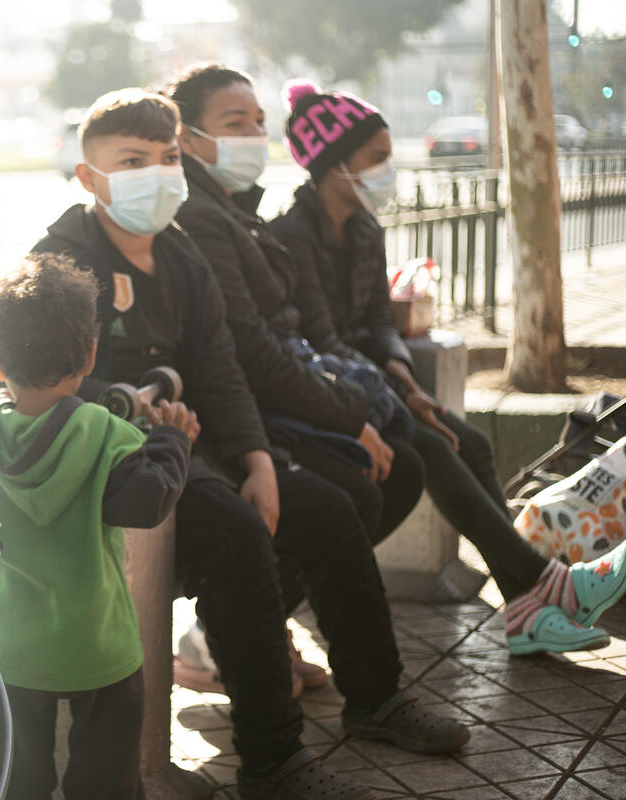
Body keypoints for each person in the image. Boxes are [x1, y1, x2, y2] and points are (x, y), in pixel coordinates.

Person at [33, 87, 468, 800]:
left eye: (167, 158)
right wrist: (152, 428)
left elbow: (221, 371)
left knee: (328, 508)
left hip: (202, 443)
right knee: (235, 532)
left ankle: (377, 700)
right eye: (131, 161)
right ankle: (273, 762)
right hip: (121, 459)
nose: (156, 173)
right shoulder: (62, 261)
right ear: (89, 177)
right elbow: (48, 386)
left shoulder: (178, 254)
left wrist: (261, 461)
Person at [269, 79, 626, 655]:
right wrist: (401, 390)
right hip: (326, 395)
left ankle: (524, 609)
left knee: (471, 445)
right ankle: (541, 586)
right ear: (335, 165)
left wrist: (399, 369)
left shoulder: (363, 226)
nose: (389, 170)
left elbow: (379, 319)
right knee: (434, 446)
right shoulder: (288, 236)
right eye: (376, 159)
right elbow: (323, 339)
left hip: (374, 384)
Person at [163, 65, 426, 686]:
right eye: (236, 123)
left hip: (265, 401)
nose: (256, 133)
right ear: (189, 135)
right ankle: (245, 640)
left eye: (258, 120)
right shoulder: (204, 215)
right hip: (235, 416)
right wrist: (344, 414)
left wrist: (362, 398)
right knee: (350, 493)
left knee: (402, 467)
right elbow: (253, 350)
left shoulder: (233, 207)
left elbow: (317, 333)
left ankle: (241, 633)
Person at [0, 253, 197, 800]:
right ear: (90, 355)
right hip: (99, 648)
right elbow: (149, 501)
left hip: (9, 651)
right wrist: (173, 440)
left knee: (16, 782)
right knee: (107, 784)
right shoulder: (105, 433)